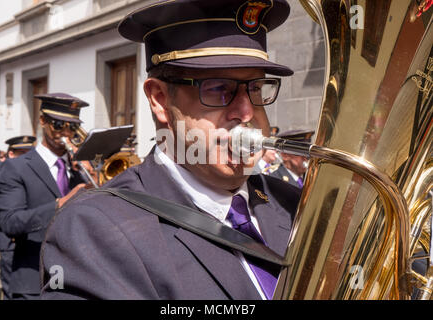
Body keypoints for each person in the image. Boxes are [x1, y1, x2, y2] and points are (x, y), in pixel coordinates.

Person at [41, 0, 301, 300]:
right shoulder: (92, 228)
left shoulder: (294, 204)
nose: (245, 112)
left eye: (255, 88)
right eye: (219, 88)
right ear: (160, 99)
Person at [0, 94, 90, 299]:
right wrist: (60, 204)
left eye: (72, 127)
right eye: (58, 125)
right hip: (33, 281)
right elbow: (10, 222)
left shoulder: (80, 169)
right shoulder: (17, 167)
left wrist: (95, 175)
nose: (65, 132)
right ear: (42, 121)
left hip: (76, 281)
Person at [0, 135, 36, 299]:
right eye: (22, 153)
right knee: (9, 284)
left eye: (28, 153)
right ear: (11, 154)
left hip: (31, 237)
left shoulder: (35, 173)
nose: (26, 157)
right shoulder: (0, 173)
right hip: (8, 237)